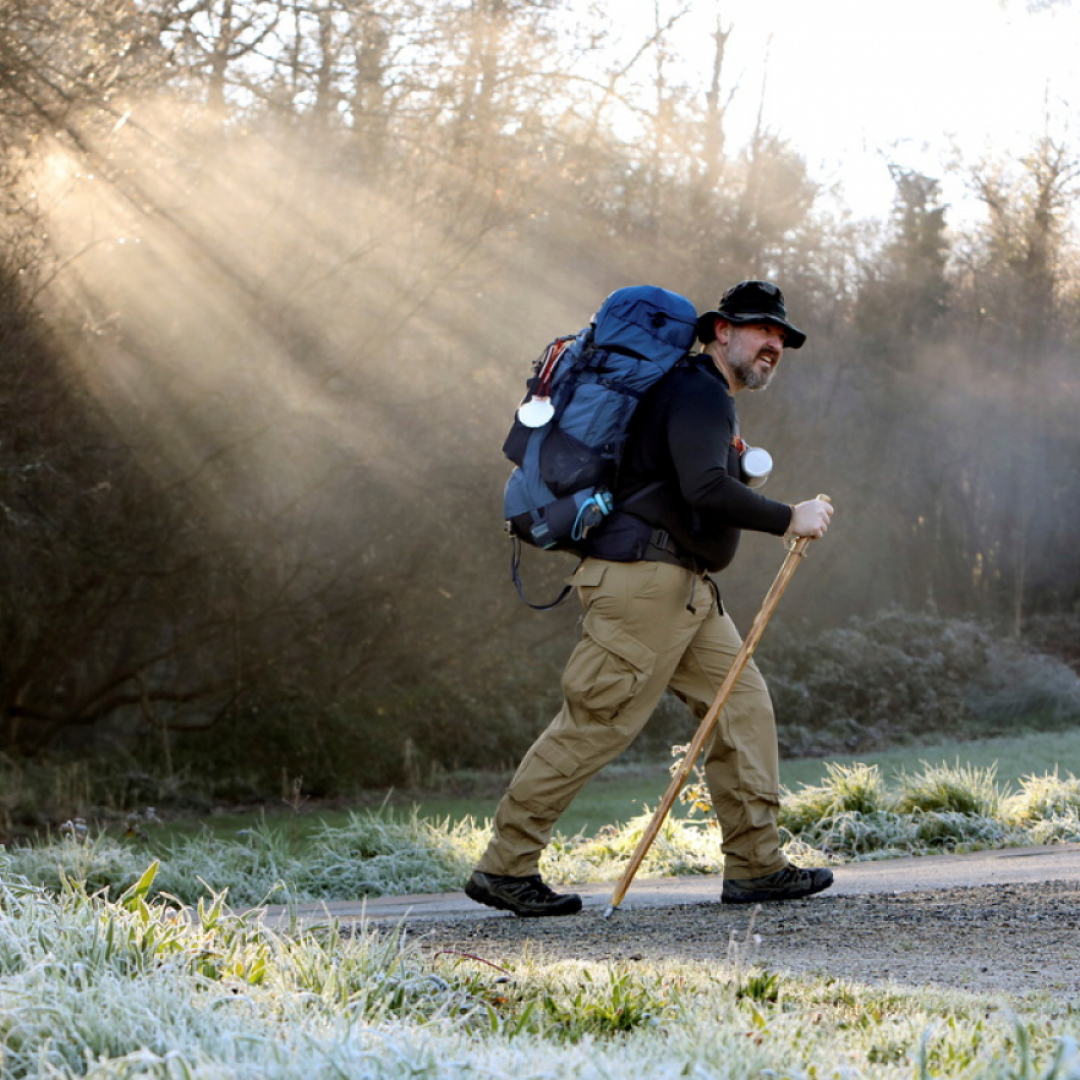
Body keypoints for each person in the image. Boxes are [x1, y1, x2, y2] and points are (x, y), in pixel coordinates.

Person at [466, 280, 835, 917]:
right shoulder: (697, 391)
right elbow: (705, 489)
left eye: (781, 337)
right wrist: (787, 516)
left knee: (741, 707)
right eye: (760, 330)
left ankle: (755, 865)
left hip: (683, 589)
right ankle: (505, 867)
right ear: (722, 331)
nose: (774, 344)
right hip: (643, 585)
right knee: (596, 724)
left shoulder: (702, 394)